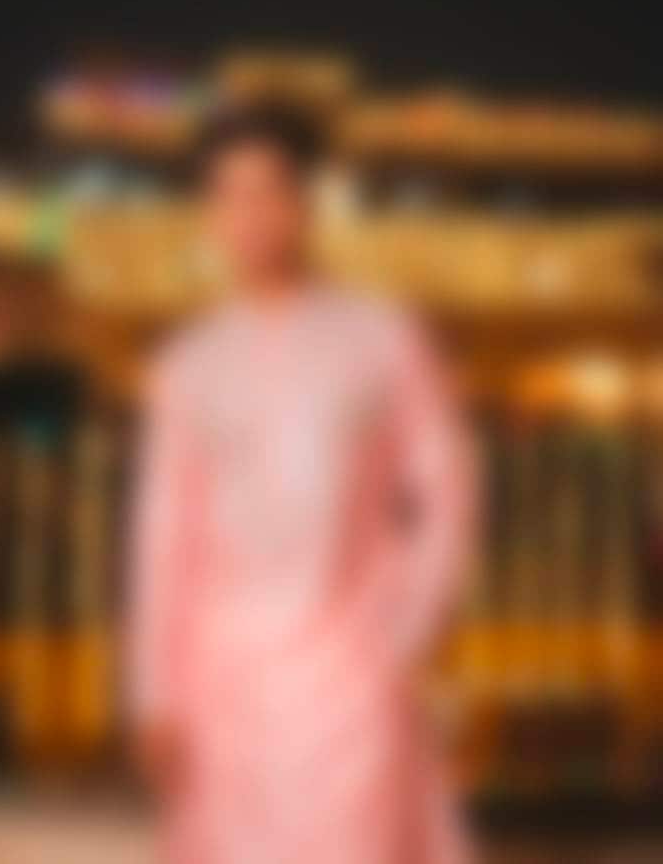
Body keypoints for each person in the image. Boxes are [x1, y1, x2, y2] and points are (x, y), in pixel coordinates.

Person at [129, 105, 476, 863]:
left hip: (351, 676)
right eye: (227, 196)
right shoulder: (191, 364)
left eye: (265, 191)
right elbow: (165, 538)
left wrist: (405, 626)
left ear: (303, 203)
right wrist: (156, 693)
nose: (248, 215)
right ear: (209, 215)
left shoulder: (381, 338)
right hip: (222, 686)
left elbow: (447, 487)